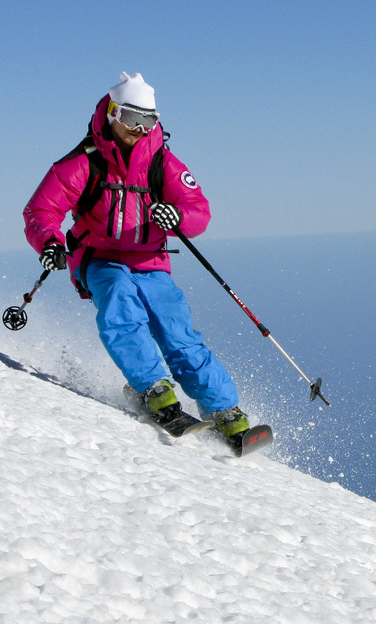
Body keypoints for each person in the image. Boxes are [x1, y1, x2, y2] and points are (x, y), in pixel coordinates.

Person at [22, 71, 250, 440]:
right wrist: (49, 242)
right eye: (132, 118)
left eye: (149, 120)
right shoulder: (84, 163)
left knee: (175, 328)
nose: (140, 129)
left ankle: (223, 408)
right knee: (119, 303)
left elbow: (198, 210)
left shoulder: (162, 163)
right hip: (99, 258)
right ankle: (153, 389)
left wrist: (178, 217)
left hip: (149, 261)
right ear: (113, 113)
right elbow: (41, 210)